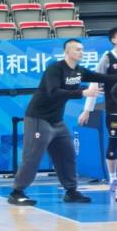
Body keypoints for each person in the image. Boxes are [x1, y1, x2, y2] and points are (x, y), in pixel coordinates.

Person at [8, 38, 117, 206]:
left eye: (82, 49)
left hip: (57, 121)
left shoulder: (79, 71)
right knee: (32, 157)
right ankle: (17, 192)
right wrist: (82, 93)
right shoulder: (55, 69)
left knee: (67, 155)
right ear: (67, 52)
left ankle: (71, 192)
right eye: (77, 49)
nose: (81, 52)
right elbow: (53, 92)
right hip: (38, 119)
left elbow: (103, 77)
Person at [78, 27, 117, 193]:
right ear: (113, 40)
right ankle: (113, 179)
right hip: (114, 110)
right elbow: (94, 83)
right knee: (113, 144)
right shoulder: (107, 59)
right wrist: (87, 109)